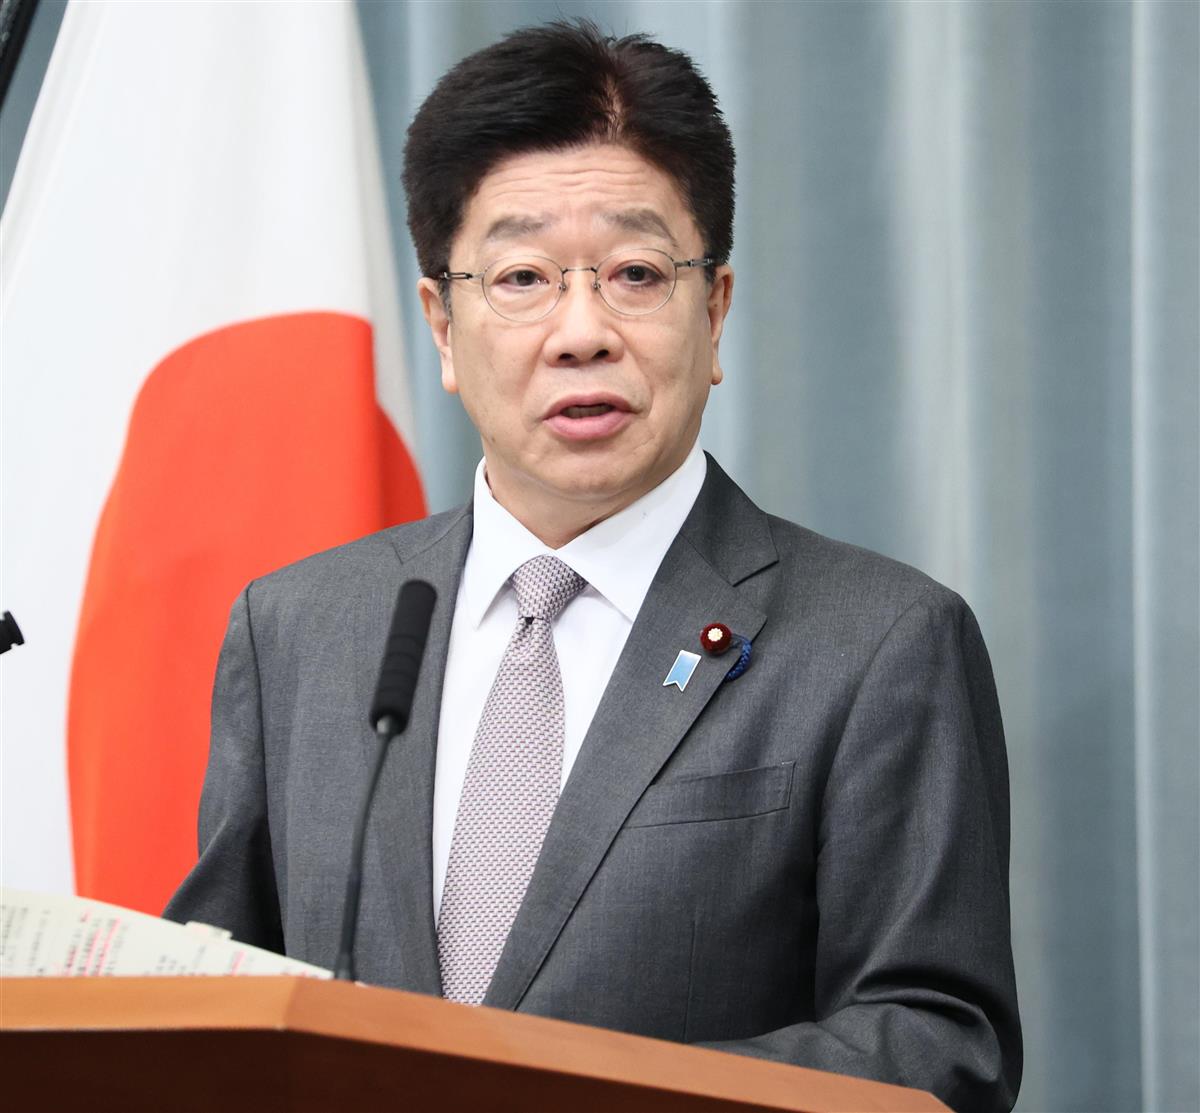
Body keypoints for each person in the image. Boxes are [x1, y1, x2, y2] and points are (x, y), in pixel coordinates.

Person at [166, 21, 1021, 1111]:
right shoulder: (301, 626)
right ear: (442, 326)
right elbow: (217, 1009)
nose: (582, 332)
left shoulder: (879, 642)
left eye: (635, 274)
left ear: (714, 310)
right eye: (522, 276)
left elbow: (938, 1048)